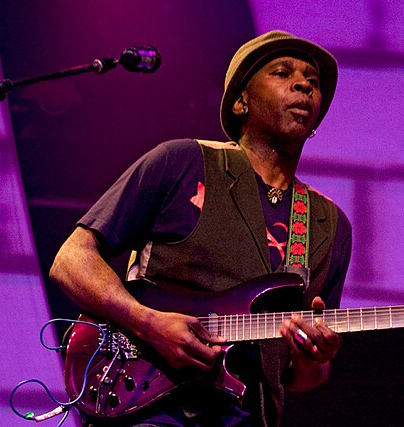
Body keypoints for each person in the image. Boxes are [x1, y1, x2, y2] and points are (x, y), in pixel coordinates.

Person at [49, 30, 352, 427]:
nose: (304, 85)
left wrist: (315, 359)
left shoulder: (329, 224)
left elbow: (300, 376)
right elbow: (70, 260)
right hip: (150, 410)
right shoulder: (183, 162)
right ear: (241, 101)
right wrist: (149, 323)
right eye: (282, 73)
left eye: (312, 83)